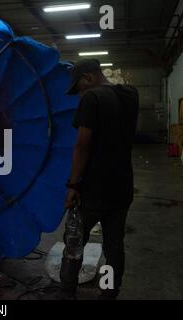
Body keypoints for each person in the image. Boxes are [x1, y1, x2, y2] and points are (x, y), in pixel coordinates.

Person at [60, 59, 139, 300]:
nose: (80, 93)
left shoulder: (91, 98)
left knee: (75, 240)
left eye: (80, 87)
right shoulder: (130, 95)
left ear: (88, 77)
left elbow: (82, 146)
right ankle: (109, 293)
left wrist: (73, 185)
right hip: (122, 185)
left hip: (95, 187)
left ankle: (67, 291)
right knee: (113, 245)